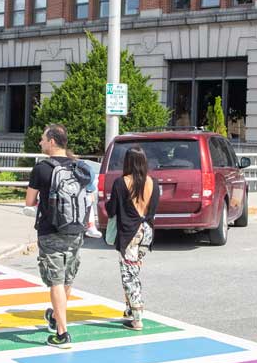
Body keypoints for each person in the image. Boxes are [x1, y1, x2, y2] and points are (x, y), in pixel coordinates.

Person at [25, 124, 91, 349]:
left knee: (56, 281)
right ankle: (55, 317)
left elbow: (30, 202)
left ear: (52, 141)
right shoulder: (80, 167)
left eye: (43, 139)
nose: (41, 143)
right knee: (67, 279)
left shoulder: (42, 169)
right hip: (76, 229)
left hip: (50, 230)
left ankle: (62, 334)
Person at [105, 145, 159, 330]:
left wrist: (106, 203)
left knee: (129, 276)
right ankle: (129, 309)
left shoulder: (121, 183)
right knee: (134, 270)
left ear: (127, 162)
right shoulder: (153, 182)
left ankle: (137, 317)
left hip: (129, 234)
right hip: (147, 233)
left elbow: (112, 209)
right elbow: (153, 210)